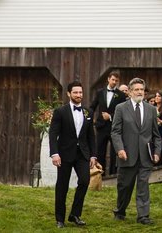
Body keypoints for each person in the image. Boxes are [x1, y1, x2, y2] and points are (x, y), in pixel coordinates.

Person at [111, 77, 161, 225]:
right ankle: (120, 210)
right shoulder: (121, 108)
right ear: (130, 92)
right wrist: (120, 149)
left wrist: (157, 152)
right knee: (125, 187)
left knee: (143, 186)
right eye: (136, 90)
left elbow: (156, 135)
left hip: (145, 156)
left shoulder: (151, 110)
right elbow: (115, 132)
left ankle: (143, 216)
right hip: (126, 155)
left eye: (142, 90)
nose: (140, 92)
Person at [48, 80, 98, 228]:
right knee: (62, 186)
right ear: (69, 93)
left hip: (82, 154)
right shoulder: (60, 112)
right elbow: (53, 134)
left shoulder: (88, 112)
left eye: (81, 92)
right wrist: (54, 153)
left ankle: (75, 214)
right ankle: (60, 219)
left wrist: (93, 155)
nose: (78, 95)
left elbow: (91, 136)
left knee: (84, 181)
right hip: (64, 154)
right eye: (75, 92)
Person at [88, 70, 126, 176]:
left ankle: (113, 175)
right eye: (113, 79)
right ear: (108, 79)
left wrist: (110, 116)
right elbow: (92, 107)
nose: (114, 82)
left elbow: (123, 113)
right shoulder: (100, 92)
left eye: (116, 81)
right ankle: (100, 175)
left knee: (115, 152)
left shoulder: (121, 95)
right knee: (100, 151)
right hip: (101, 127)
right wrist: (89, 119)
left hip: (115, 128)